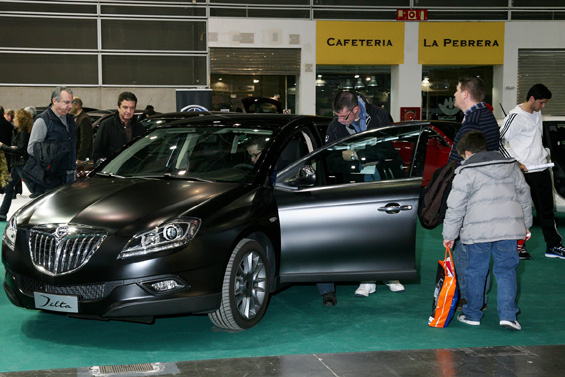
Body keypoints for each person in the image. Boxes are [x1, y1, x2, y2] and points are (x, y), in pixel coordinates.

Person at [317, 90, 403, 306]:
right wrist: (353, 162)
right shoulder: (335, 126)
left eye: (344, 116)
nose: (339, 120)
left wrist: (356, 154)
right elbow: (330, 159)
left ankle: (388, 273)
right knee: (363, 231)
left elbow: (388, 151)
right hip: (353, 186)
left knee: (385, 230)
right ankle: (367, 278)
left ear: (356, 110)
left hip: (382, 182)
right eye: (337, 116)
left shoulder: (379, 116)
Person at [443, 131, 532, 331]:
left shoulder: (465, 172)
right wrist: (526, 225)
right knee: (507, 270)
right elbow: (524, 195)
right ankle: (509, 315)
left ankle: (472, 314)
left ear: (466, 153)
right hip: (509, 230)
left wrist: (449, 235)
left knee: (475, 271)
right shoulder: (510, 167)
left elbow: (456, 206)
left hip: (477, 232)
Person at [449, 76, 500, 307]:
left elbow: (461, 160)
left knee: (466, 249)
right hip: (484, 193)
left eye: (457, 91)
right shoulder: (485, 116)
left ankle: (471, 297)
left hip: (471, 195)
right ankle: (476, 295)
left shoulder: (474, 121)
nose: (454, 95)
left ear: (466, 94)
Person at [500, 83, 565, 259]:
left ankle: (554, 246)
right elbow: (499, 141)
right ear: (532, 99)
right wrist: (515, 162)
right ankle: (520, 247)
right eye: (541, 103)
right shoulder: (514, 117)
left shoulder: (536, 113)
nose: (543, 107)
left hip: (542, 168)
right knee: (521, 212)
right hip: (523, 173)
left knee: (547, 211)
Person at [24, 86, 77, 195]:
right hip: (50, 180)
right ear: (54, 101)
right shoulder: (42, 121)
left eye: (72, 102)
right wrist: (54, 153)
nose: (70, 106)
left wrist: (73, 170)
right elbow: (31, 148)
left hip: (69, 176)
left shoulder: (70, 120)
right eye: (66, 102)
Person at [0, 109, 33, 220]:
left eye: (15, 117)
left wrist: (3, 146)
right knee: (9, 188)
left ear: (20, 120)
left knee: (33, 190)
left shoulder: (22, 133)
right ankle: (2, 213)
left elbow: (20, 150)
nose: (13, 119)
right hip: (17, 164)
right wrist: (10, 148)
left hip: (20, 164)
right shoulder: (17, 131)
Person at [93, 91, 143, 162]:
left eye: (132, 108)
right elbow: (97, 151)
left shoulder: (139, 127)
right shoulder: (107, 125)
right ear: (118, 108)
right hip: (112, 170)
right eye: (125, 107)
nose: (128, 111)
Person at [70, 97, 93, 163]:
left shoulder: (84, 119)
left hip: (82, 159)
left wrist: (80, 158)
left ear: (77, 105)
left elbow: (85, 140)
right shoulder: (74, 118)